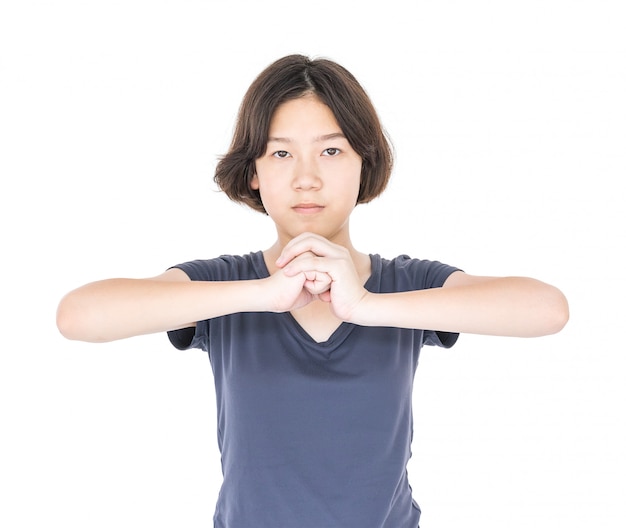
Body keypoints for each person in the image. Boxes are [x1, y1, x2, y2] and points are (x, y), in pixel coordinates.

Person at [56, 54, 569, 528]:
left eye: (330, 150)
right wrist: (262, 293)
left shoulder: (407, 284)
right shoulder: (226, 283)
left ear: (363, 162)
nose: (306, 178)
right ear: (253, 172)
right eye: (281, 153)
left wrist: (366, 305)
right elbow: (79, 317)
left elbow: (546, 309)